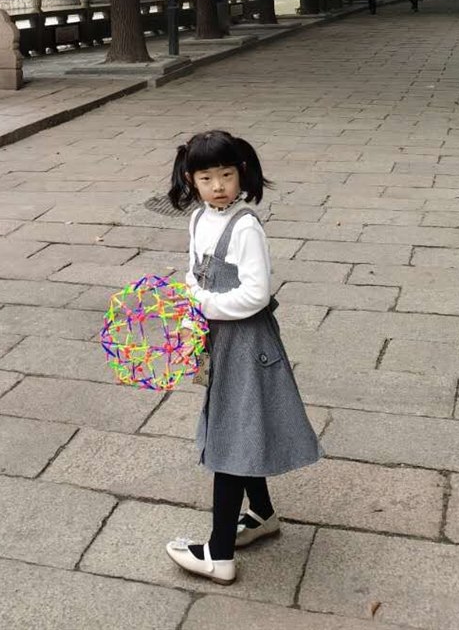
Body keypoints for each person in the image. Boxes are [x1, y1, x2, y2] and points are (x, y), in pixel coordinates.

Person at [164, 131, 321, 586]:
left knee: (231, 439)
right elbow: (193, 276)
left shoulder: (246, 227)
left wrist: (204, 304)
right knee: (239, 426)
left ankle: (219, 554)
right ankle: (263, 514)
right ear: (190, 179)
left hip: (249, 345)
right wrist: (191, 313)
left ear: (242, 174)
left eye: (227, 175)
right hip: (218, 339)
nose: (218, 186)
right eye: (206, 177)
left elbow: (256, 295)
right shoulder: (198, 219)